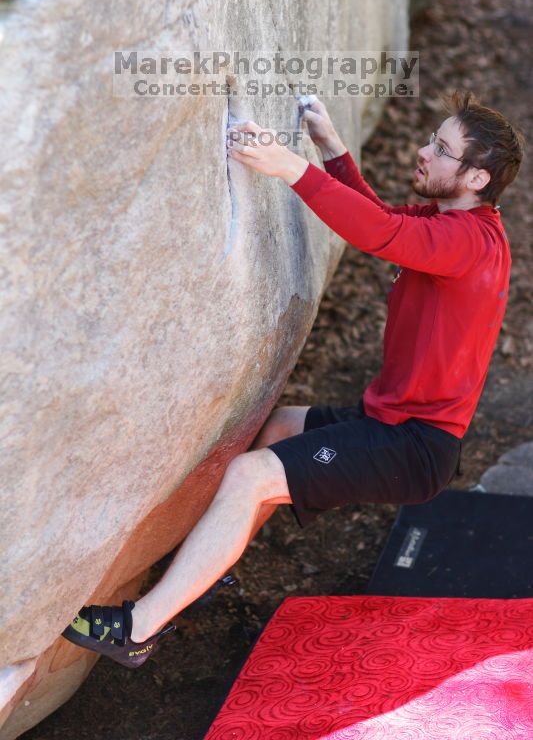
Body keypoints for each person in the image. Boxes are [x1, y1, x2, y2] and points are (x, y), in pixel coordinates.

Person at [62, 91, 523, 666]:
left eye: (441, 148)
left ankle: (136, 630)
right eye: (432, 139)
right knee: (279, 428)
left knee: (252, 476)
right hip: (390, 421)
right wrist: (331, 149)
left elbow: (378, 235)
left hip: (413, 445)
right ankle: (206, 569)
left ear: (476, 176)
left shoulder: (469, 244)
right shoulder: (452, 223)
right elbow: (380, 220)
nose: (423, 151)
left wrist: (288, 167)